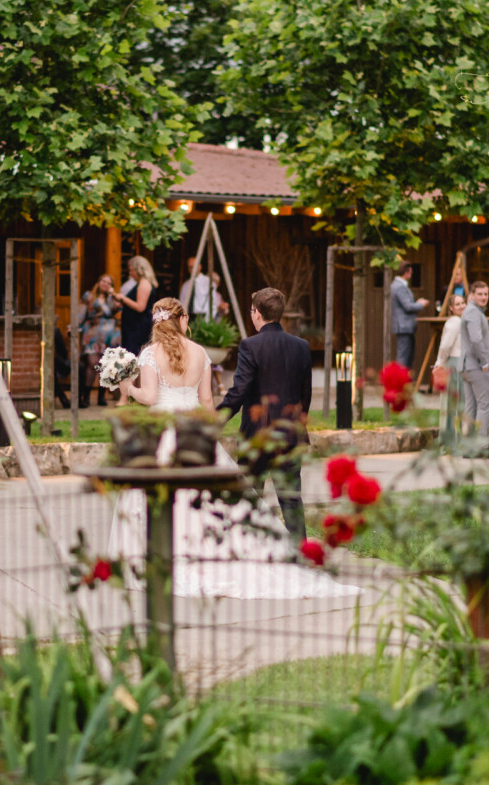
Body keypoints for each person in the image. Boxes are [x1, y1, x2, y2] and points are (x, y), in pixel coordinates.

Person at [113, 297, 357, 600]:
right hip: (206, 432)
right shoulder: (201, 353)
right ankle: (275, 556)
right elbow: (206, 400)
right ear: (182, 319)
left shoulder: (150, 354)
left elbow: (151, 398)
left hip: (163, 433)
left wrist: (127, 388)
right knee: (260, 499)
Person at [216, 287, 312, 542]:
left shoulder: (250, 346)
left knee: (249, 500)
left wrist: (214, 420)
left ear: (257, 313)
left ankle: (248, 551)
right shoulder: (302, 346)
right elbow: (306, 396)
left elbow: (239, 391)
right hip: (290, 436)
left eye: (251, 310)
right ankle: (302, 554)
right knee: (291, 500)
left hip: (257, 437)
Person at [459, 281, 489, 457]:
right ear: (472, 295)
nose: (484, 297)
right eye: (480, 294)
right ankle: (481, 447)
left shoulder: (472, 311)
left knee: (471, 407)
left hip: (467, 366)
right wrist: (484, 363)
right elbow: (476, 339)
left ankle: (468, 447)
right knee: (485, 405)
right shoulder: (473, 312)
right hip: (476, 366)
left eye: (486, 294)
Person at [116, 256, 156, 405]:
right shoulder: (142, 283)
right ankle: (134, 397)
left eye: (131, 269)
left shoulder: (144, 284)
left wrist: (122, 298)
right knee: (135, 360)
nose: (130, 272)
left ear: (139, 269)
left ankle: (124, 397)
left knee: (130, 360)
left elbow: (140, 307)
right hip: (133, 327)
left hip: (137, 329)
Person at [80, 274, 121, 407]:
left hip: (109, 336)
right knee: (92, 364)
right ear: (98, 282)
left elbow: (120, 309)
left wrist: (113, 295)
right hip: (92, 334)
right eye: (103, 281)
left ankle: (101, 396)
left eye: (109, 283)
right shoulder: (89, 296)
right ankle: (86, 395)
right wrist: (76, 327)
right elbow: (81, 313)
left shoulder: (112, 299)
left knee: (105, 366)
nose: (105, 284)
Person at [434, 293, 466, 448]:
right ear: (451, 308)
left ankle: (454, 439)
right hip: (453, 362)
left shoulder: (460, 321)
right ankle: (452, 440)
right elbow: (445, 345)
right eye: (457, 304)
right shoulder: (455, 322)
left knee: (456, 402)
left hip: (458, 362)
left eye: (463, 303)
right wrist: (440, 363)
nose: (461, 306)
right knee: (454, 402)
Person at [390, 262, 430, 370]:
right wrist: (421, 304)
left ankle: (404, 378)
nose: (411, 275)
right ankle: (399, 378)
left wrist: (416, 303)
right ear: (406, 273)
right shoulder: (399, 286)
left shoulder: (398, 285)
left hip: (405, 326)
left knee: (408, 357)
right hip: (404, 326)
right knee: (403, 358)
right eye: (410, 272)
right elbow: (407, 306)